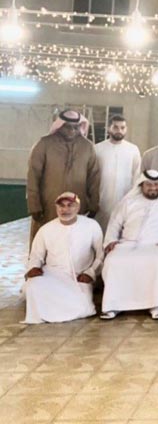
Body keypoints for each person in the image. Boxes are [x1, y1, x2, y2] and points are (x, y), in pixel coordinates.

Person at [100, 170, 158, 320]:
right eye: (149, 185)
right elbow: (114, 223)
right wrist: (111, 240)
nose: (153, 188)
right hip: (126, 244)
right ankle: (114, 305)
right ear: (141, 185)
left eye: (156, 185)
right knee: (113, 261)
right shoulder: (128, 202)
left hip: (156, 246)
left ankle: (154, 305)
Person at [23, 192, 104, 324]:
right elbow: (36, 255)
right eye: (61, 206)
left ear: (78, 207)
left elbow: (101, 254)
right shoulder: (46, 229)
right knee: (32, 285)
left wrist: (90, 273)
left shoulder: (91, 225)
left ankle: (51, 308)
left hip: (78, 277)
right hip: (53, 274)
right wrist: (34, 267)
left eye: (70, 205)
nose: (65, 210)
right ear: (56, 208)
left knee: (84, 308)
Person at [27, 109, 101, 244]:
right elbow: (33, 176)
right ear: (59, 126)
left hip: (77, 206)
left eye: (75, 127)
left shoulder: (87, 147)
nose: (72, 130)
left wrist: (93, 205)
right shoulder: (44, 144)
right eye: (67, 127)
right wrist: (34, 205)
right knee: (45, 241)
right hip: (48, 206)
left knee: (75, 242)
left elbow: (94, 178)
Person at [94, 115, 141, 231]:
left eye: (122, 127)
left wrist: (134, 198)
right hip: (102, 199)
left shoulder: (133, 149)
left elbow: (137, 175)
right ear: (108, 128)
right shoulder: (98, 148)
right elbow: (93, 175)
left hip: (125, 197)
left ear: (126, 129)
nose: (119, 130)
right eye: (115, 127)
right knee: (101, 230)